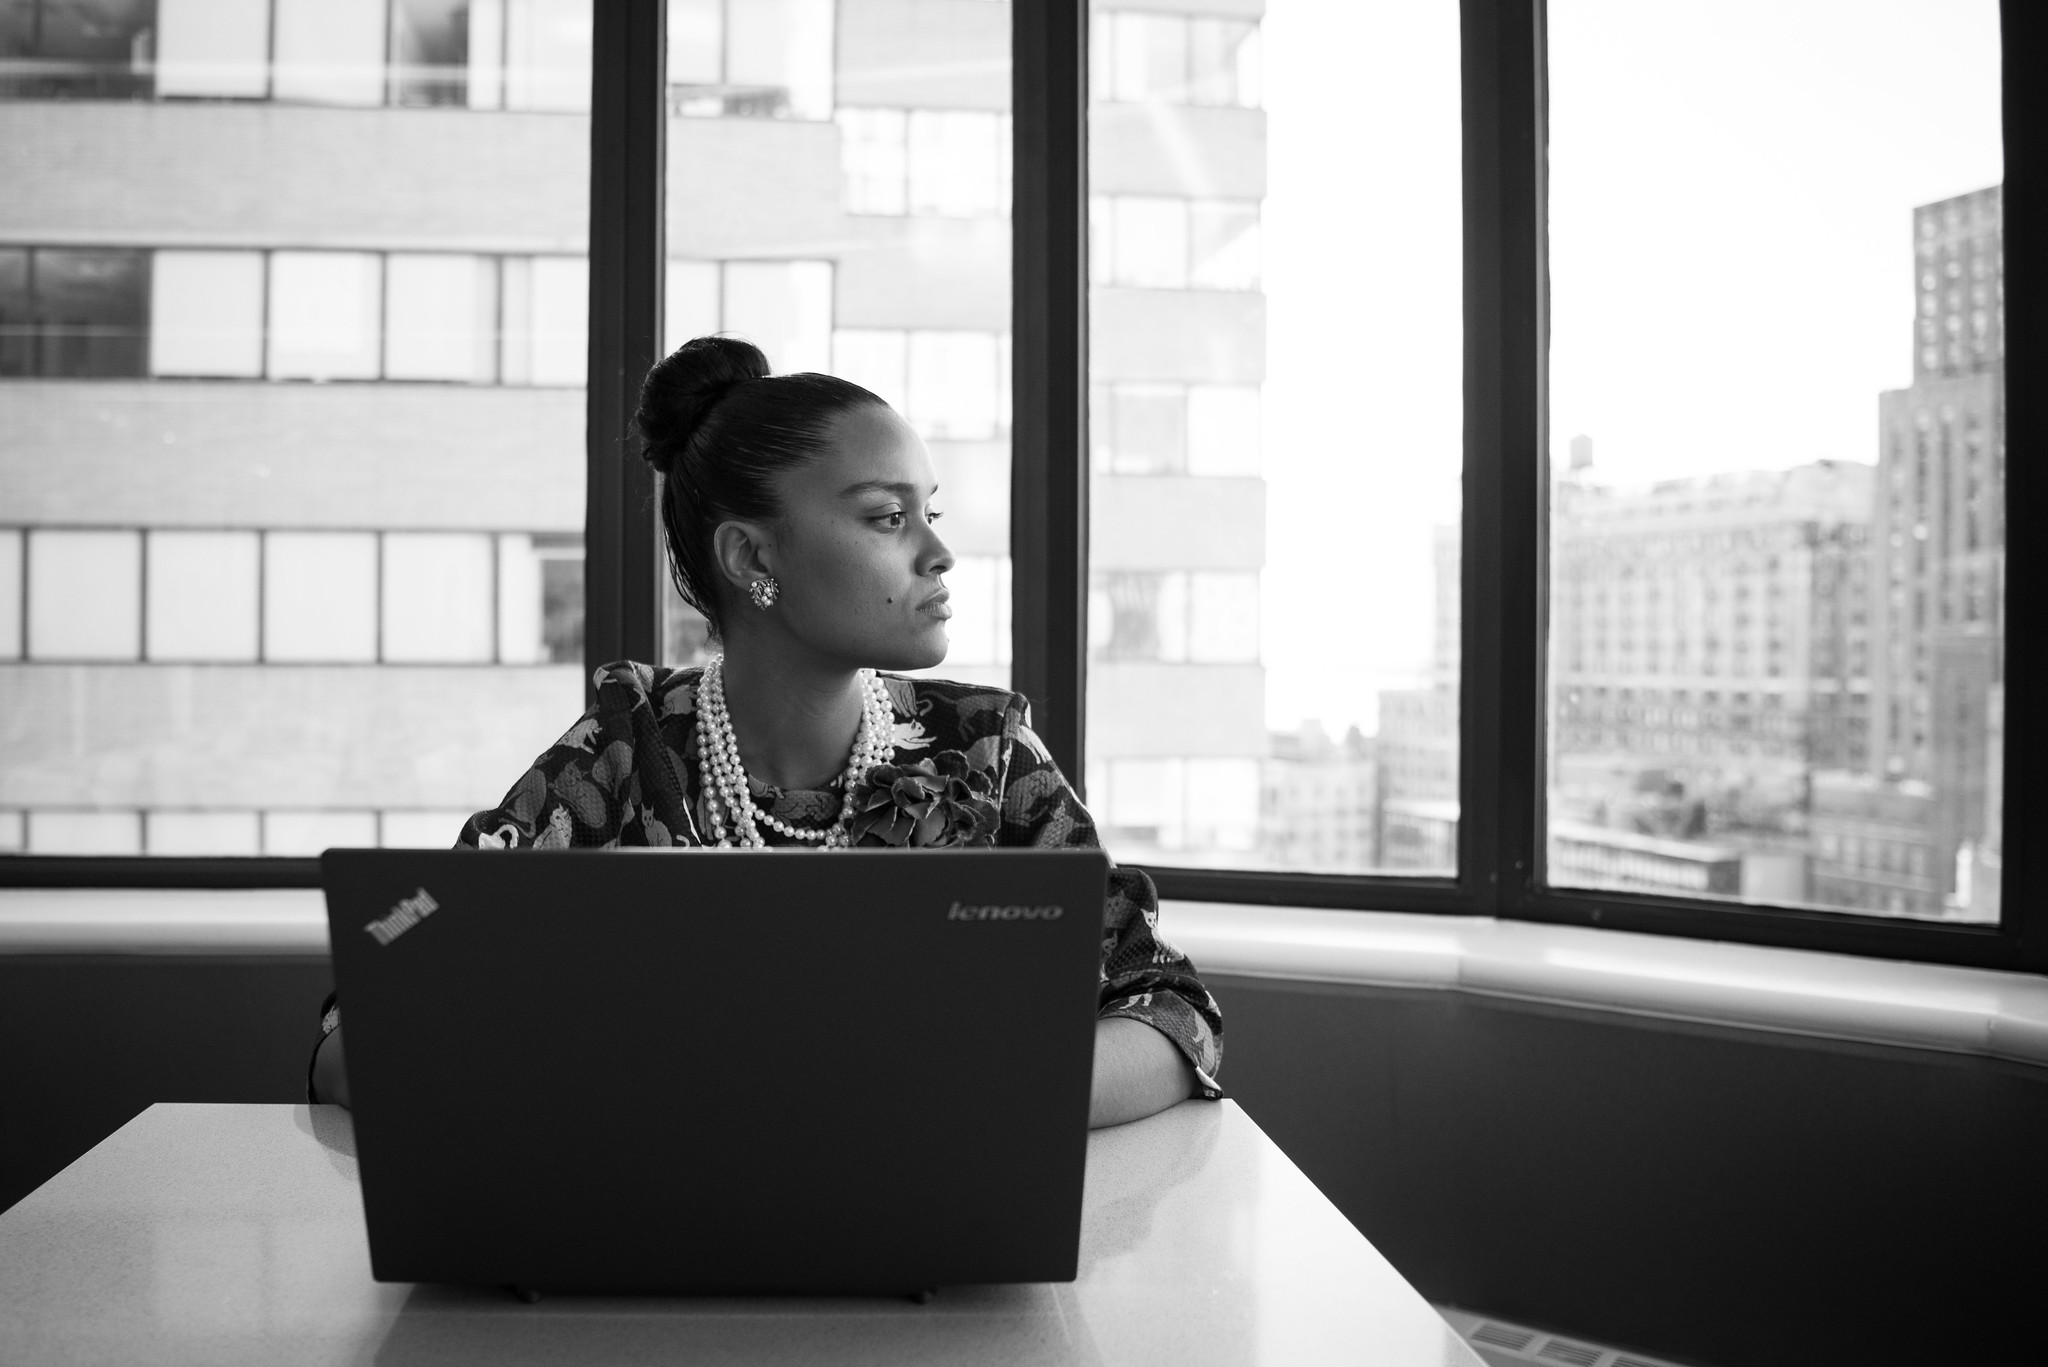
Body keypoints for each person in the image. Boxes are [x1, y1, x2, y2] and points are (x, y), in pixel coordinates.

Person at [310, 335, 1223, 1128]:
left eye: (930, 513)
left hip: (936, 1271)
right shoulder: (625, 753)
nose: (939, 553)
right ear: (752, 557)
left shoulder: (986, 753)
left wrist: (963, 1091)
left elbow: (1172, 1009)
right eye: (887, 517)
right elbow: (369, 1003)